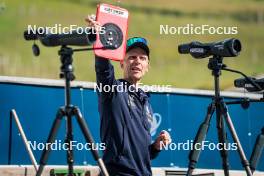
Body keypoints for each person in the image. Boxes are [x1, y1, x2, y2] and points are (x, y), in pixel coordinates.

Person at [86, 15, 171, 176]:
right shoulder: (111, 89)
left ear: (147, 66)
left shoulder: (146, 100)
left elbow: (143, 154)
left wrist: (156, 146)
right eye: (132, 57)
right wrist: (99, 37)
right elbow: (103, 69)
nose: (137, 61)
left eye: (142, 58)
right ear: (122, 63)